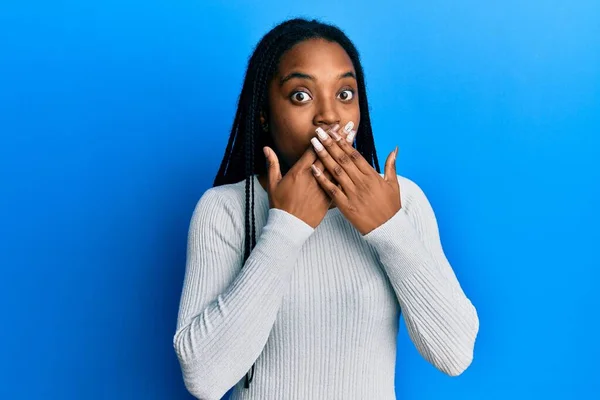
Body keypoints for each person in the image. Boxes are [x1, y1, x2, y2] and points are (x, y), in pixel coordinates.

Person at [173, 18, 479, 400]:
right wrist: (285, 227)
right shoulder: (227, 210)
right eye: (301, 95)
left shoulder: (403, 200)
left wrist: (389, 227)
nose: (330, 116)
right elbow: (204, 378)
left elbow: (454, 354)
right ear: (264, 114)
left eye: (345, 94)